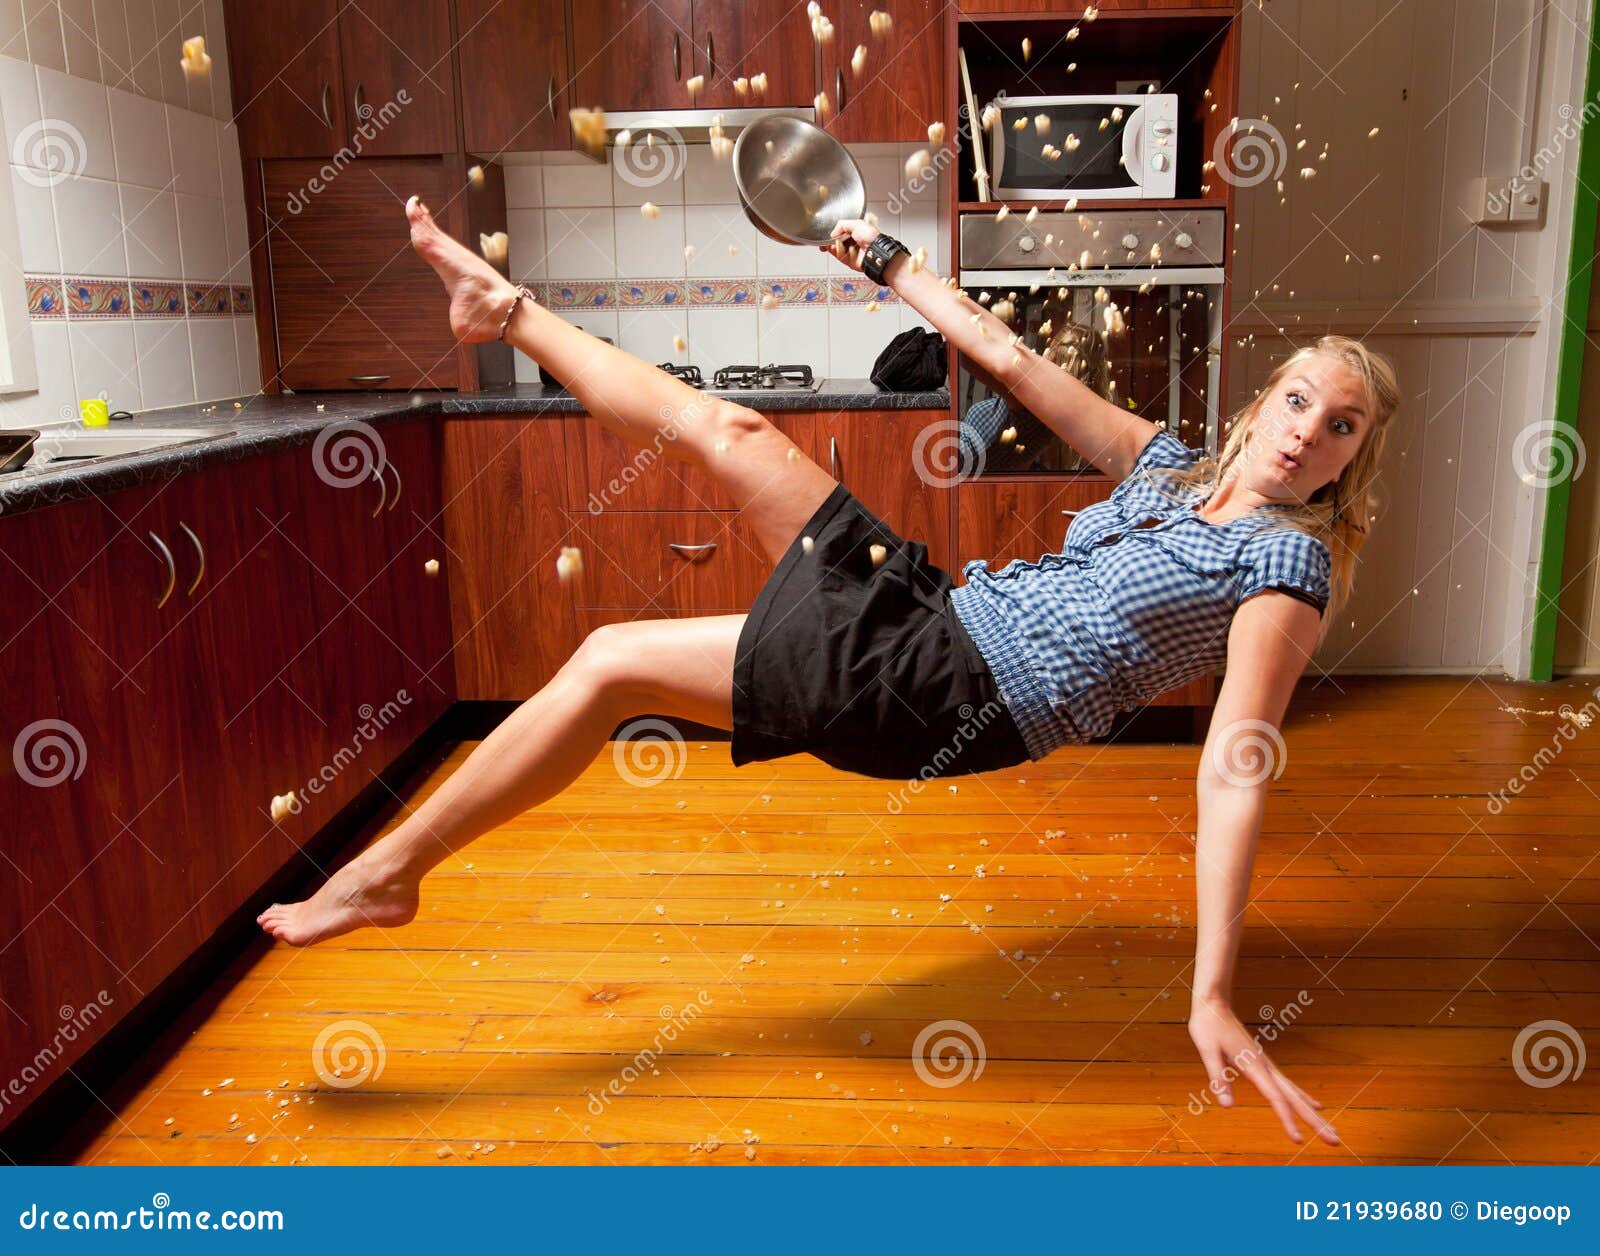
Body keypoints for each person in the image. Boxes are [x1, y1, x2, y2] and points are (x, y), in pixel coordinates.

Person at [259, 200, 1397, 1149]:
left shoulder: (1282, 561)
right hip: (939, 615)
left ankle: (384, 873)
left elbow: (1237, 762)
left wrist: (1208, 991)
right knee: (716, 469)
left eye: (1340, 426)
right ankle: (500, 310)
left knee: (619, 649)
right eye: (1298, 400)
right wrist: (882, 258)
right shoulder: (1166, 465)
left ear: (1352, 462)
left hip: (954, 693)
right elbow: (1004, 356)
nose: (1308, 432)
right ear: (1261, 405)